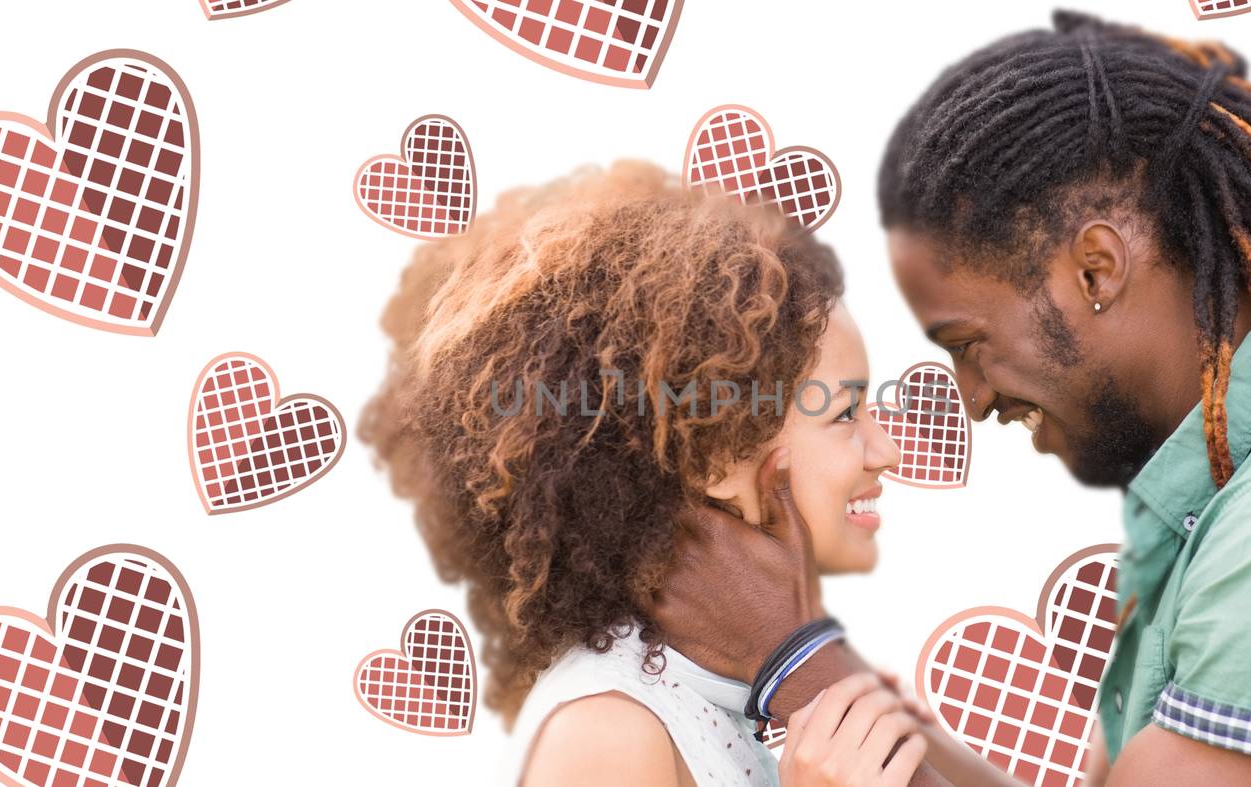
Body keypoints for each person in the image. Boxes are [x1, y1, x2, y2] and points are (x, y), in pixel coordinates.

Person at [651, 12, 1251, 787]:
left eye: (968, 345)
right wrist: (804, 649)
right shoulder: (1237, 485)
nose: (974, 401)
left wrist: (796, 664)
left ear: (1096, 271)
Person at [359, 160, 932, 786]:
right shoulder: (609, 732)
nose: (888, 451)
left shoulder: (719, 697)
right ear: (715, 456)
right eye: (844, 413)